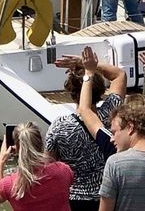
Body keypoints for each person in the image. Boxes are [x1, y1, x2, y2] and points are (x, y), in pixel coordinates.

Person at [45, 47, 126, 211]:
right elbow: (119, 75)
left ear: (71, 92)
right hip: (111, 195)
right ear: (101, 91)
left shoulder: (59, 126)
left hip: (76, 199)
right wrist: (90, 66)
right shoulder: (112, 114)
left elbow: (48, 166)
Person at [72, 48, 145, 162]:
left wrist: (89, 72)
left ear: (129, 125)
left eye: (113, 132)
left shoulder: (114, 148)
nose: (112, 137)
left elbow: (84, 109)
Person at [0, 122, 73, 211]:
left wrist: (1, 161)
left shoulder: (11, 184)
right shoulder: (63, 170)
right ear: (41, 143)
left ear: (17, 148)